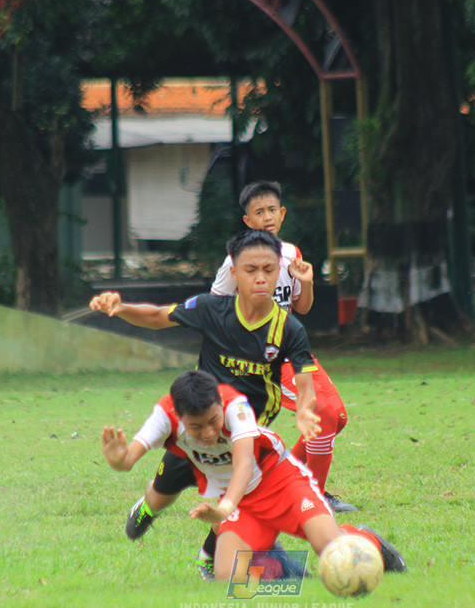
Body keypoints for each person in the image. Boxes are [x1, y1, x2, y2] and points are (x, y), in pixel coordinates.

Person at [90, 229, 321, 576]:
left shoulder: (289, 329)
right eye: (250, 270)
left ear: (280, 272)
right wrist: (121, 308)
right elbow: (156, 317)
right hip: (199, 421)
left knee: (239, 494)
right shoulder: (212, 309)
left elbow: (305, 384)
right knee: (163, 490)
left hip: (246, 426)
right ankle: (148, 509)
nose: (261, 278)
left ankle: (211, 558)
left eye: (269, 270)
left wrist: (304, 410)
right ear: (233, 273)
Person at [100, 369, 406, 581]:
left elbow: (245, 464)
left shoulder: (236, 405)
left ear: (220, 405)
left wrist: (223, 509)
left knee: (329, 547)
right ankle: (291, 573)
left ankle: (368, 539)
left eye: (213, 421)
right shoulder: (163, 416)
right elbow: (127, 461)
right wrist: (117, 460)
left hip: (280, 483)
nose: (208, 433)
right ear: (179, 418)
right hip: (240, 505)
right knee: (228, 578)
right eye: (196, 427)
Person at [210, 181, 356, 513]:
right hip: (260, 361)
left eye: (272, 210)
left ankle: (287, 480)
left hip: (292, 352)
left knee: (338, 417)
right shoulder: (237, 261)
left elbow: (301, 308)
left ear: (282, 213)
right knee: (325, 414)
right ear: (247, 220)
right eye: (258, 212)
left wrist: (307, 282)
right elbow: (215, 310)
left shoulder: (291, 253)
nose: (267, 217)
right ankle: (313, 499)